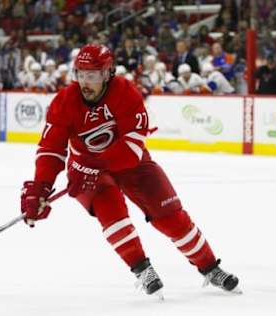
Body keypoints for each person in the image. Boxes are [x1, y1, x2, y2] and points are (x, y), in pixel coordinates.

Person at [20, 44, 240, 297]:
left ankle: (210, 267)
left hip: (129, 163)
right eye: (80, 74)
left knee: (170, 216)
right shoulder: (64, 101)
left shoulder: (125, 92)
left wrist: (97, 164)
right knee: (113, 216)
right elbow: (50, 149)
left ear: (106, 73)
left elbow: (132, 146)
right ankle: (142, 269)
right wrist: (40, 188)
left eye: (91, 75)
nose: (84, 82)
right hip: (85, 167)